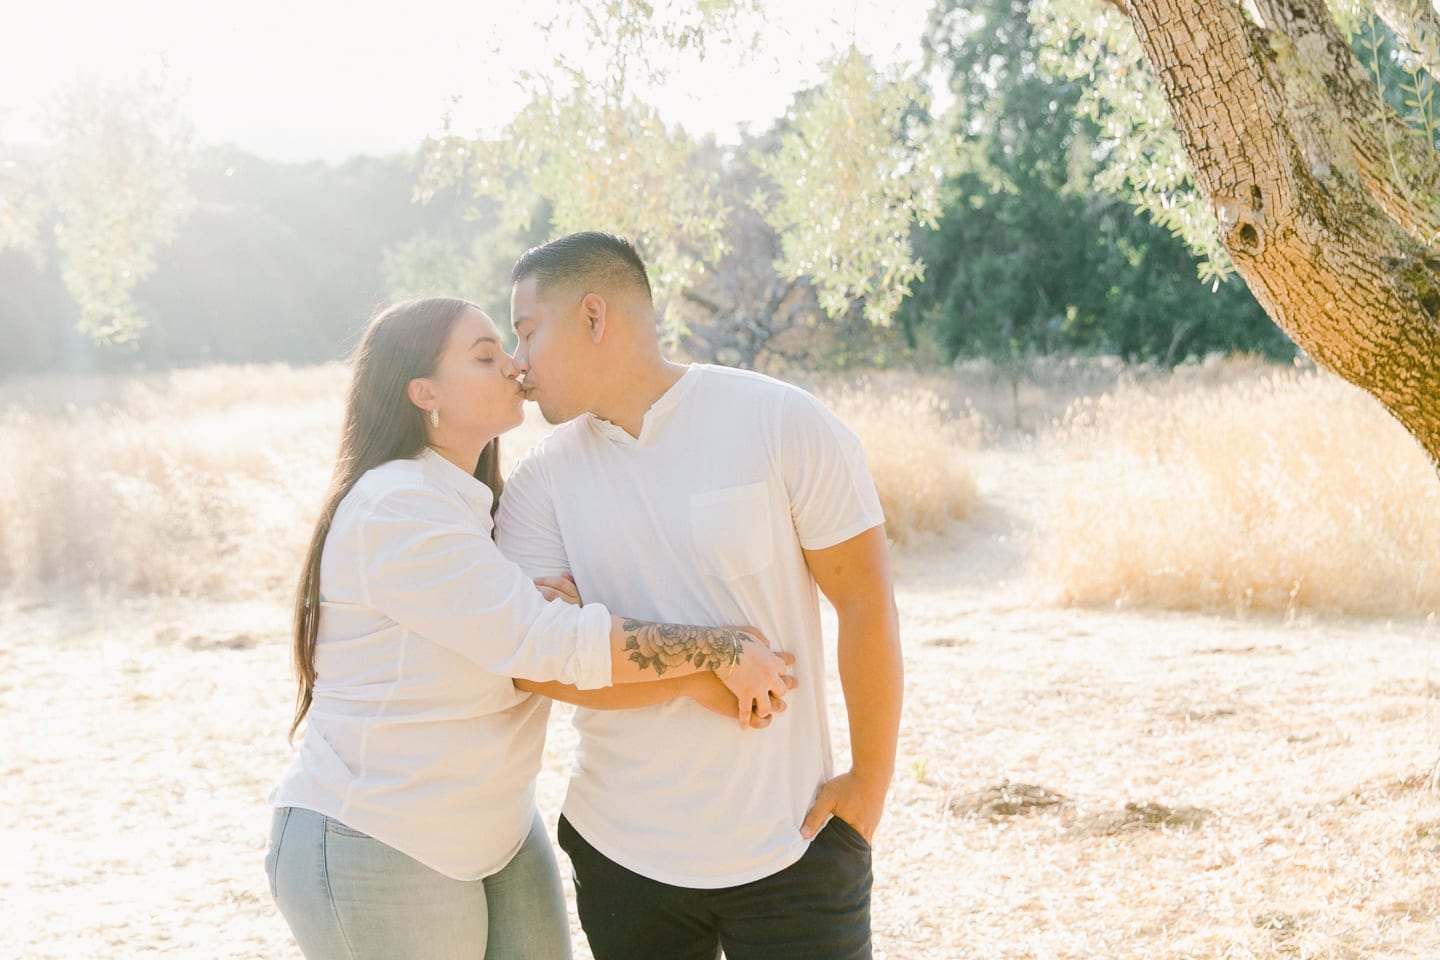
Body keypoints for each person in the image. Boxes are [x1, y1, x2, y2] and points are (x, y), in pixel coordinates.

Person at [264, 296, 794, 960]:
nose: (515, 365)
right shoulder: (395, 508)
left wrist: (544, 617)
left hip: (498, 831)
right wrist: (716, 651)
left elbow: (522, 648)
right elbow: (547, 644)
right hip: (378, 837)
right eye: (485, 356)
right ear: (424, 392)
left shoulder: (472, 507)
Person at [496, 232, 904, 960]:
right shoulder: (538, 483)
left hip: (796, 842)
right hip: (620, 855)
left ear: (594, 316)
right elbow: (534, 666)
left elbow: (866, 600)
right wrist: (700, 669)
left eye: (527, 330)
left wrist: (868, 786)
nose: (515, 362)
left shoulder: (780, 422)